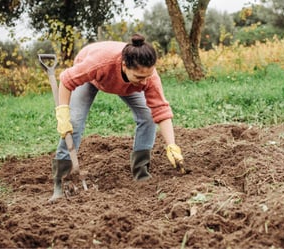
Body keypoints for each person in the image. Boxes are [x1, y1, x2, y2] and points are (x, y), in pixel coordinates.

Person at [51, 34, 186, 196]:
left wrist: (171, 145)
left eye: (147, 77)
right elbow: (66, 80)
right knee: (74, 122)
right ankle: (61, 182)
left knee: (147, 116)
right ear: (123, 65)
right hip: (92, 76)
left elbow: (161, 110)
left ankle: (141, 172)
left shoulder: (147, 76)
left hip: (126, 85)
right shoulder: (98, 63)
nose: (144, 82)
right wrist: (63, 113)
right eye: (139, 77)